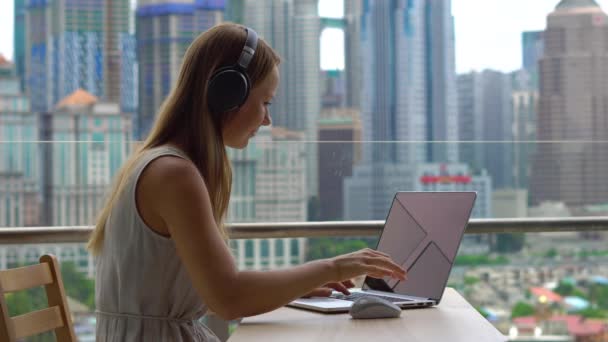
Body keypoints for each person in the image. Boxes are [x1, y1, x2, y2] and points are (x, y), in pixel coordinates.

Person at [87, 23, 406, 341]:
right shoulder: (174, 174)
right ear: (228, 94)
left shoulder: (160, 163)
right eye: (265, 102)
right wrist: (334, 267)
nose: (268, 119)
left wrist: (293, 287)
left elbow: (214, 288)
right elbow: (228, 298)